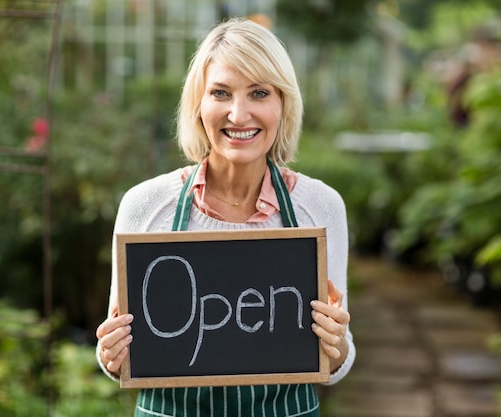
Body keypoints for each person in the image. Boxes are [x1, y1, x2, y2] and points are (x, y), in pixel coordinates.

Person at [96, 17, 355, 416]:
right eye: (220, 93)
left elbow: (335, 361)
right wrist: (111, 354)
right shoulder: (145, 206)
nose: (238, 114)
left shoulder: (319, 208)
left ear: (282, 104)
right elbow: (120, 354)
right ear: (198, 106)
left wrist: (336, 345)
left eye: (258, 93)